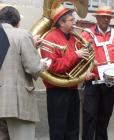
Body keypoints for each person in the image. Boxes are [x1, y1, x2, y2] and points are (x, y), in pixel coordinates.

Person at [81, 6, 114, 140]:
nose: (106, 19)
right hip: (92, 81)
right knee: (89, 116)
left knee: (104, 116)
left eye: (108, 17)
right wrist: (86, 70)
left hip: (111, 83)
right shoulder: (87, 34)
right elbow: (81, 57)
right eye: (103, 16)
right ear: (97, 18)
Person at [0, 6, 51, 140]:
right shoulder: (22, 34)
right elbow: (33, 67)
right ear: (17, 21)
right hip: (17, 103)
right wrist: (44, 63)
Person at [40, 4, 90, 140]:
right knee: (58, 130)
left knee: (73, 130)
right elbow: (54, 67)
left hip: (72, 88)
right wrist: (76, 55)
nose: (75, 22)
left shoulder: (74, 38)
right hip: (57, 92)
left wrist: (87, 63)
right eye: (71, 20)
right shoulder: (50, 38)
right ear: (62, 22)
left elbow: (78, 62)